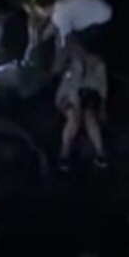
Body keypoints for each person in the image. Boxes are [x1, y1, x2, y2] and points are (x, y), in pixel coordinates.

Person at [54, 41, 110, 171]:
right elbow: (65, 85)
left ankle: (100, 153)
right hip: (70, 95)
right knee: (74, 116)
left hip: (89, 96)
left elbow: (102, 88)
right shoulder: (71, 65)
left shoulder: (97, 64)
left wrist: (102, 106)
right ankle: (64, 154)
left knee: (89, 116)